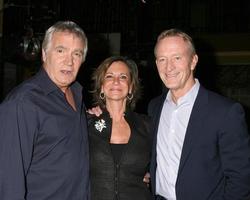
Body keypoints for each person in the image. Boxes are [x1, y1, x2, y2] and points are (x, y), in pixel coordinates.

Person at [148, 28, 250, 200]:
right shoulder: (154, 107)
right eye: (162, 59)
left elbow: (241, 178)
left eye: (177, 58)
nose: (169, 67)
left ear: (193, 61)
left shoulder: (226, 112)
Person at [0, 21, 89, 200]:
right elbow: (9, 182)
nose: (69, 61)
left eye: (77, 54)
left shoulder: (78, 95)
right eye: (60, 51)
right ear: (44, 53)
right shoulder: (23, 103)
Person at [88, 56, 152, 200]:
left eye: (123, 77)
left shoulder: (147, 125)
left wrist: (151, 176)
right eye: (109, 76)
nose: (116, 81)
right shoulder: (86, 124)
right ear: (102, 87)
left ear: (130, 87)